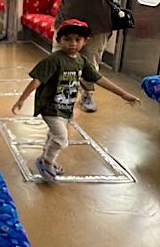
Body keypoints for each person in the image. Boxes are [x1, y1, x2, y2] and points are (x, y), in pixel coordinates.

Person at [11, 19, 140, 182]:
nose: (72, 43)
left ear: (85, 41)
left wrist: (123, 94)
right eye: (67, 39)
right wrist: (22, 100)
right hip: (50, 106)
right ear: (59, 40)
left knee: (54, 135)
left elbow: (99, 79)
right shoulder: (53, 60)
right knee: (61, 138)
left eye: (78, 40)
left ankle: (45, 156)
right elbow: (37, 80)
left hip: (66, 106)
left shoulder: (82, 61)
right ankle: (48, 161)